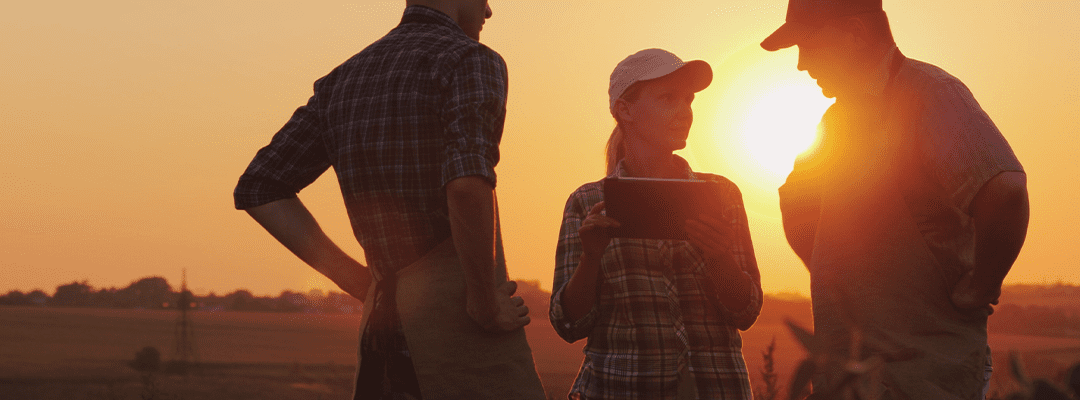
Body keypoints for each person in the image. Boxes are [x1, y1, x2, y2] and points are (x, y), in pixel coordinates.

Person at [232, 1, 546, 399]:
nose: (488, 10)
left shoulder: (342, 80)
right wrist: (484, 301)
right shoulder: (468, 59)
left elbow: (260, 187)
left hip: (380, 337)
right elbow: (467, 185)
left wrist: (360, 281)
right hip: (459, 337)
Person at [760, 0, 1029, 399]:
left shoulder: (930, 95)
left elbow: (1005, 193)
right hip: (845, 378)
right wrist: (834, 279)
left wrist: (982, 287)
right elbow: (795, 204)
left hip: (924, 377)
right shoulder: (837, 122)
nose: (801, 64)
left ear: (855, 33)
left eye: (809, 46)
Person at [549, 48, 763, 400]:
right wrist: (590, 259)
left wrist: (720, 257)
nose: (685, 112)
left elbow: (746, 311)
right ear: (625, 110)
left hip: (716, 389)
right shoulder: (586, 203)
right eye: (668, 98)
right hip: (617, 389)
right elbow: (570, 324)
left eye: (688, 100)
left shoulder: (722, 194)